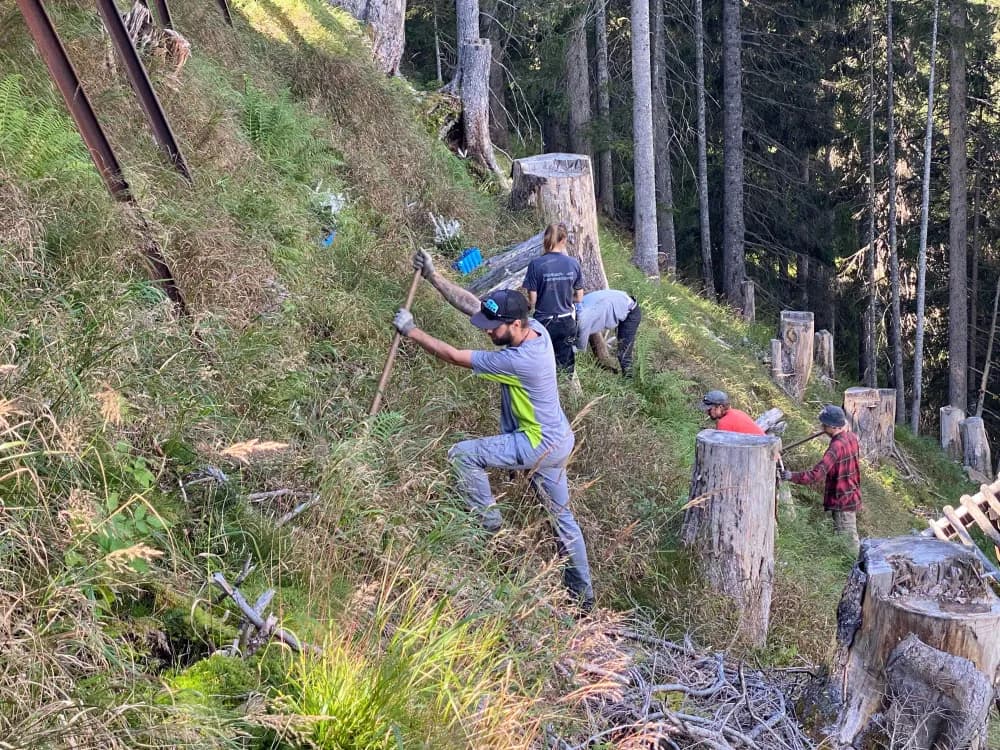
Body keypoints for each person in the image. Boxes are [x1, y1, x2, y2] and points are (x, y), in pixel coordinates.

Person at [397, 249, 595, 611]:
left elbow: (455, 356)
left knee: (463, 455)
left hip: (539, 444)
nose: (489, 333)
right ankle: (583, 600)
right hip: (556, 439)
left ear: (515, 325)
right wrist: (433, 276)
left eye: (495, 328)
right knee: (561, 520)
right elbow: (475, 305)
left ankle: (489, 531)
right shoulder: (534, 329)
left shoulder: (518, 360)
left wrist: (411, 331)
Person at [780, 404, 862, 553]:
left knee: (850, 545)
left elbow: (817, 474)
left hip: (842, 501)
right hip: (851, 495)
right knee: (844, 539)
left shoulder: (836, 447)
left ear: (833, 426)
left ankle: (858, 571)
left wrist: (792, 476)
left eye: (824, 425)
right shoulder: (851, 437)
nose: (822, 428)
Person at [522, 223, 584, 373]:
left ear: (545, 239)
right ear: (564, 240)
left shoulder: (536, 265)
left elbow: (533, 300)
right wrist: (566, 299)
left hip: (544, 322)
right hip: (567, 322)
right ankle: (564, 392)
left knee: (542, 363)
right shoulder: (573, 264)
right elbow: (579, 297)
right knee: (565, 365)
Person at [573, 289, 643, 377]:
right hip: (618, 302)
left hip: (630, 311)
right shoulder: (576, 306)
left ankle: (628, 380)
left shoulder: (583, 318)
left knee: (624, 353)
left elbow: (580, 348)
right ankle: (611, 369)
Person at [698, 390, 765, 436]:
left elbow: (722, 449)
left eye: (710, 409)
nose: (707, 412)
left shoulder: (724, 423)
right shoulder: (738, 412)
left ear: (720, 407)